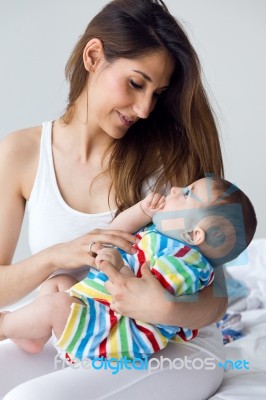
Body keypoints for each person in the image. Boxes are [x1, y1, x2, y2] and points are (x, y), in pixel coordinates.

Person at [0, 0, 232, 399]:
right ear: (94, 57)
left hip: (169, 344)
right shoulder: (20, 153)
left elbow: (217, 293)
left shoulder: (168, 160)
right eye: (136, 83)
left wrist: (163, 310)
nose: (144, 110)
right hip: (82, 331)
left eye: (156, 94)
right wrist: (58, 256)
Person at [0, 176, 257, 362]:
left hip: (113, 331)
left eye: (188, 193)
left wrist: (117, 265)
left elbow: (141, 298)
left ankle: (5, 324)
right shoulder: (159, 234)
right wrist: (141, 211)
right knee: (59, 283)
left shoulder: (183, 263)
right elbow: (113, 233)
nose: (176, 188)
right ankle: (32, 336)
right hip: (98, 306)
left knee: (54, 305)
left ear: (194, 233)